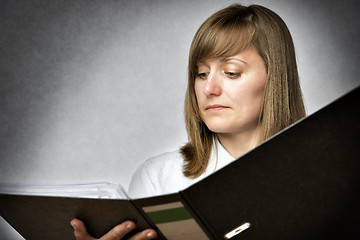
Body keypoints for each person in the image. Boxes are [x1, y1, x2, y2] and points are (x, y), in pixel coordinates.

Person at [71, 3, 306, 240]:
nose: (208, 88)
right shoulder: (160, 178)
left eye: (231, 72)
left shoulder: (320, 176)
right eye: (201, 73)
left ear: (276, 78)